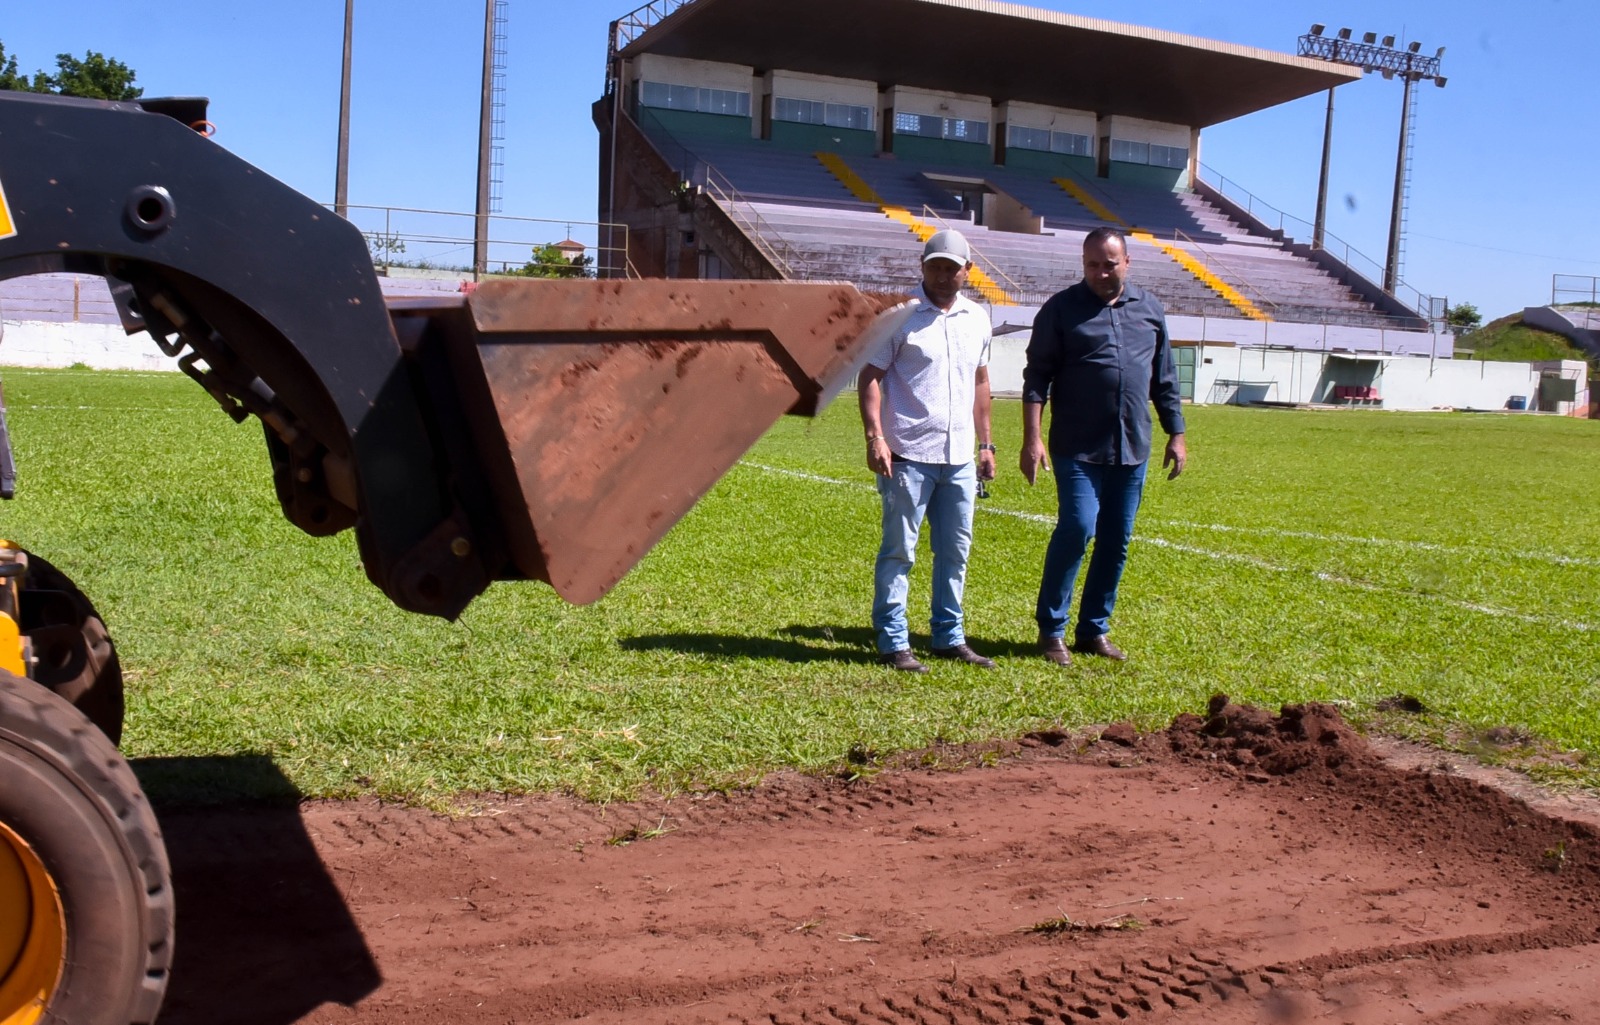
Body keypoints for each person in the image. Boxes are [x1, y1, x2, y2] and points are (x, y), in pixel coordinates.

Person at [1020, 227, 1187, 665]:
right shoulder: (1061, 309)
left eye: (1109, 263)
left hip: (1133, 447)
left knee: (1117, 540)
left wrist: (1178, 434)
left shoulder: (1149, 309)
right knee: (1077, 529)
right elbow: (1037, 377)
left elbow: (1164, 379)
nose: (1100, 272)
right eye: (1092, 264)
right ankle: (1051, 630)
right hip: (1076, 447)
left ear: (1126, 263)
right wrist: (1032, 438)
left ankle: (1094, 629)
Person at [858, 228, 997, 673]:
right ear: (922, 267)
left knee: (956, 551)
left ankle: (948, 636)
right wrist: (875, 437)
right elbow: (871, 377)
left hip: (958, 458)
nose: (942, 275)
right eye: (934, 266)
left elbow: (980, 382)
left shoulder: (977, 318)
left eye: (950, 268)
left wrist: (987, 444)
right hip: (908, 454)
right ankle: (894, 641)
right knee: (900, 550)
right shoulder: (900, 317)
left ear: (967, 272)